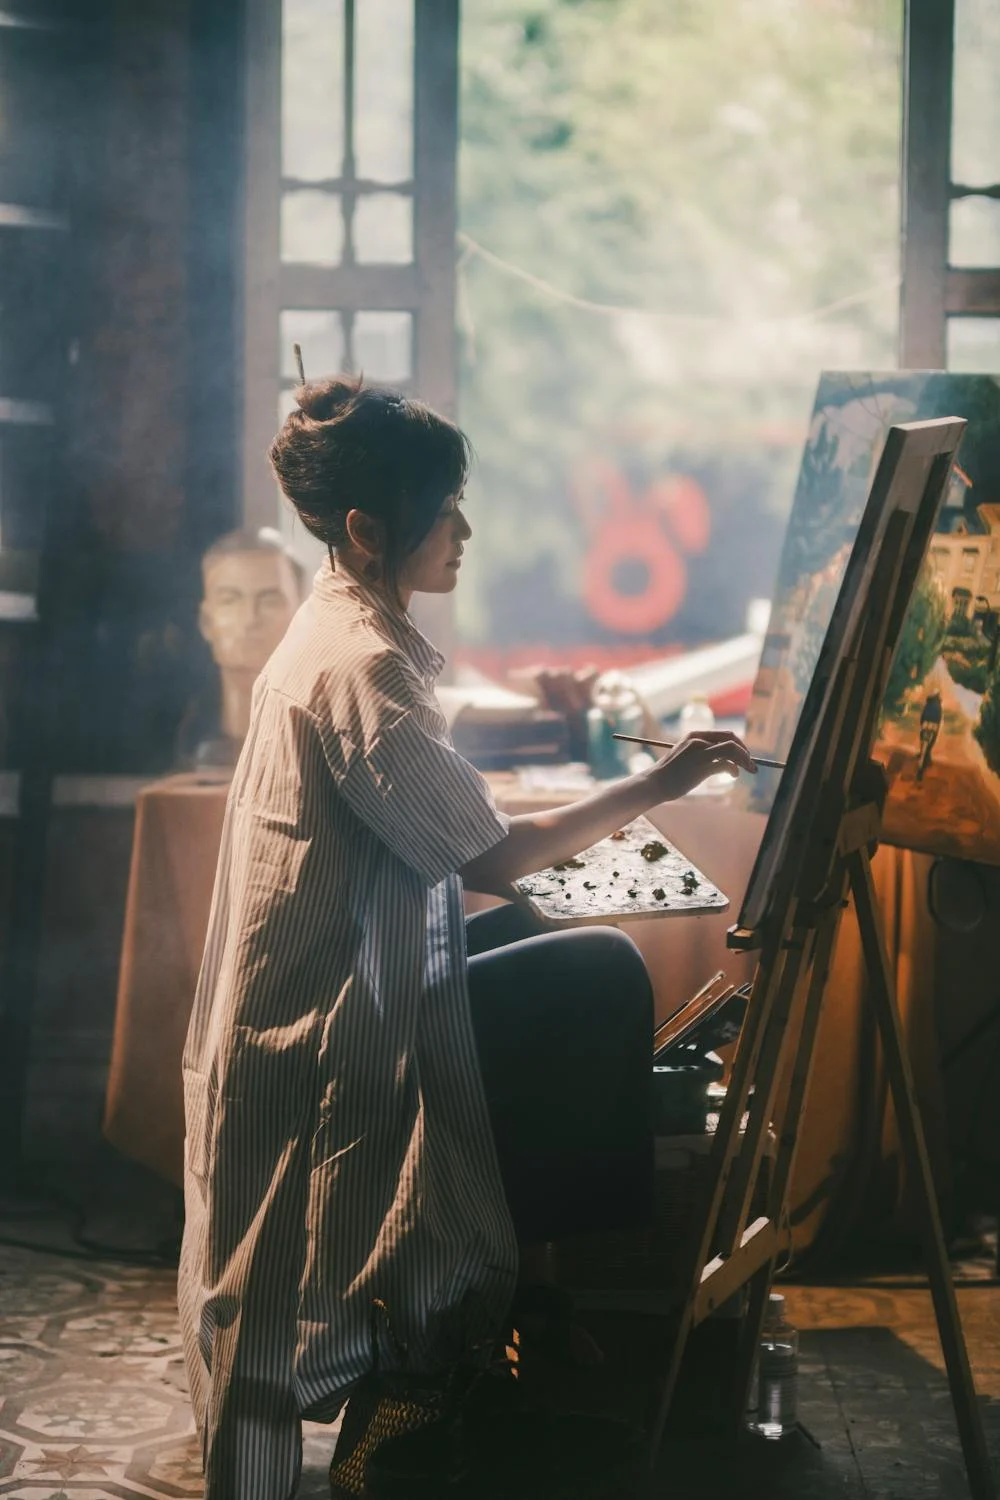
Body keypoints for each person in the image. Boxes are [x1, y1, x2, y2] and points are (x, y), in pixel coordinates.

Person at [177, 374, 756, 1500]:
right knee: (595, 969)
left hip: (331, 991)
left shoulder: (344, 629)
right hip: (319, 1030)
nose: (467, 531)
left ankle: (445, 1384)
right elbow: (488, 856)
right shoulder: (361, 665)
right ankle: (419, 1396)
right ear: (366, 529)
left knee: (569, 949)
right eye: (448, 510)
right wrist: (664, 780)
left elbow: (448, 842)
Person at [176, 528, 304, 768]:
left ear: (301, 615)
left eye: (269, 600)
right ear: (206, 622)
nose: (250, 618)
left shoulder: (329, 737)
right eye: (230, 600)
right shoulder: (181, 739)